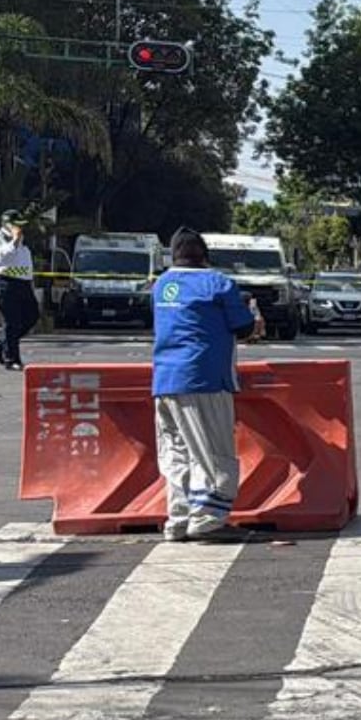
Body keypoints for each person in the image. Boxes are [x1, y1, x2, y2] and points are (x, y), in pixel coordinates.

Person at [150, 229, 262, 541]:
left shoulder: (161, 285)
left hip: (165, 380)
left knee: (176, 452)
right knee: (212, 451)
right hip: (204, 378)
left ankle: (178, 519)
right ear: (205, 255)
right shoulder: (218, 283)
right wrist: (251, 314)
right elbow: (243, 327)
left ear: (173, 256)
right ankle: (208, 519)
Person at [0, 211, 38, 371]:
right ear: (7, 224)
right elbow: (0, 259)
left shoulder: (22, 241)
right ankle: (11, 359)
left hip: (23, 284)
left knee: (32, 317)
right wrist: (14, 241)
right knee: (12, 322)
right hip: (6, 283)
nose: (19, 228)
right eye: (16, 225)